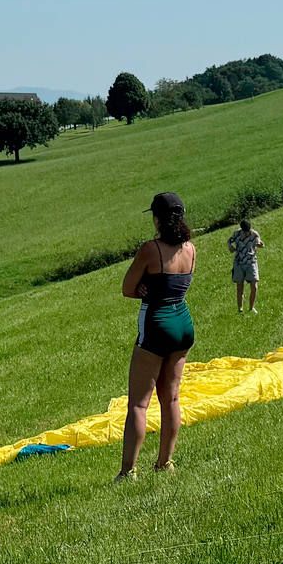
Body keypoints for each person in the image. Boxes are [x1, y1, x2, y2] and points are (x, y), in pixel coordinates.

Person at [118, 192, 196, 479]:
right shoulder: (190, 249)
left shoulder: (151, 249)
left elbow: (128, 288)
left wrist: (142, 288)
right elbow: (182, 284)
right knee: (171, 399)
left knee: (139, 403)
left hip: (157, 323)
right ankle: (165, 462)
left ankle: (128, 471)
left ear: (157, 218)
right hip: (183, 323)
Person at [227, 218, 264, 313]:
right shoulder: (237, 234)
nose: (247, 233)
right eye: (245, 231)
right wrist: (230, 247)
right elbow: (229, 241)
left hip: (251, 262)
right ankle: (240, 309)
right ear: (242, 229)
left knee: (254, 286)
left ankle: (251, 308)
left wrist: (260, 245)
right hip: (239, 262)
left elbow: (260, 244)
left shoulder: (254, 234)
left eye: (248, 231)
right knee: (240, 287)